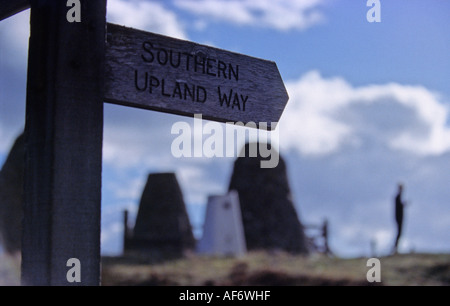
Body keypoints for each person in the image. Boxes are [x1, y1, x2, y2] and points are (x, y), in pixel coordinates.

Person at [393, 183, 407, 254]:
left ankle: (396, 248)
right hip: (399, 217)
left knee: (399, 233)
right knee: (399, 233)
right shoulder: (397, 197)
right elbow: (398, 207)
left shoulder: (398, 197)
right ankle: (395, 248)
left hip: (399, 217)